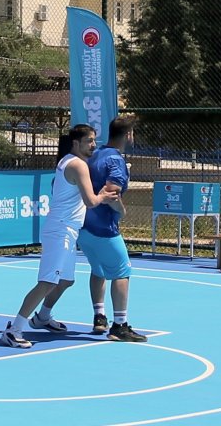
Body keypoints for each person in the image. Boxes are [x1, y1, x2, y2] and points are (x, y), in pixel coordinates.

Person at [1, 125, 119, 349]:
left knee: (66, 280)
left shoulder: (67, 160)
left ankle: (43, 317)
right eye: (90, 141)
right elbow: (91, 201)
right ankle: (14, 330)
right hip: (61, 230)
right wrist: (104, 194)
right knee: (47, 282)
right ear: (77, 143)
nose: (94, 145)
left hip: (67, 230)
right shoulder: (77, 165)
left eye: (94, 141)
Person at [80, 116, 147, 342]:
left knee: (98, 270)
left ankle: (99, 316)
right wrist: (121, 210)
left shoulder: (95, 154)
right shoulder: (115, 161)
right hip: (104, 228)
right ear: (129, 135)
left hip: (84, 226)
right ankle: (120, 325)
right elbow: (111, 193)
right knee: (122, 272)